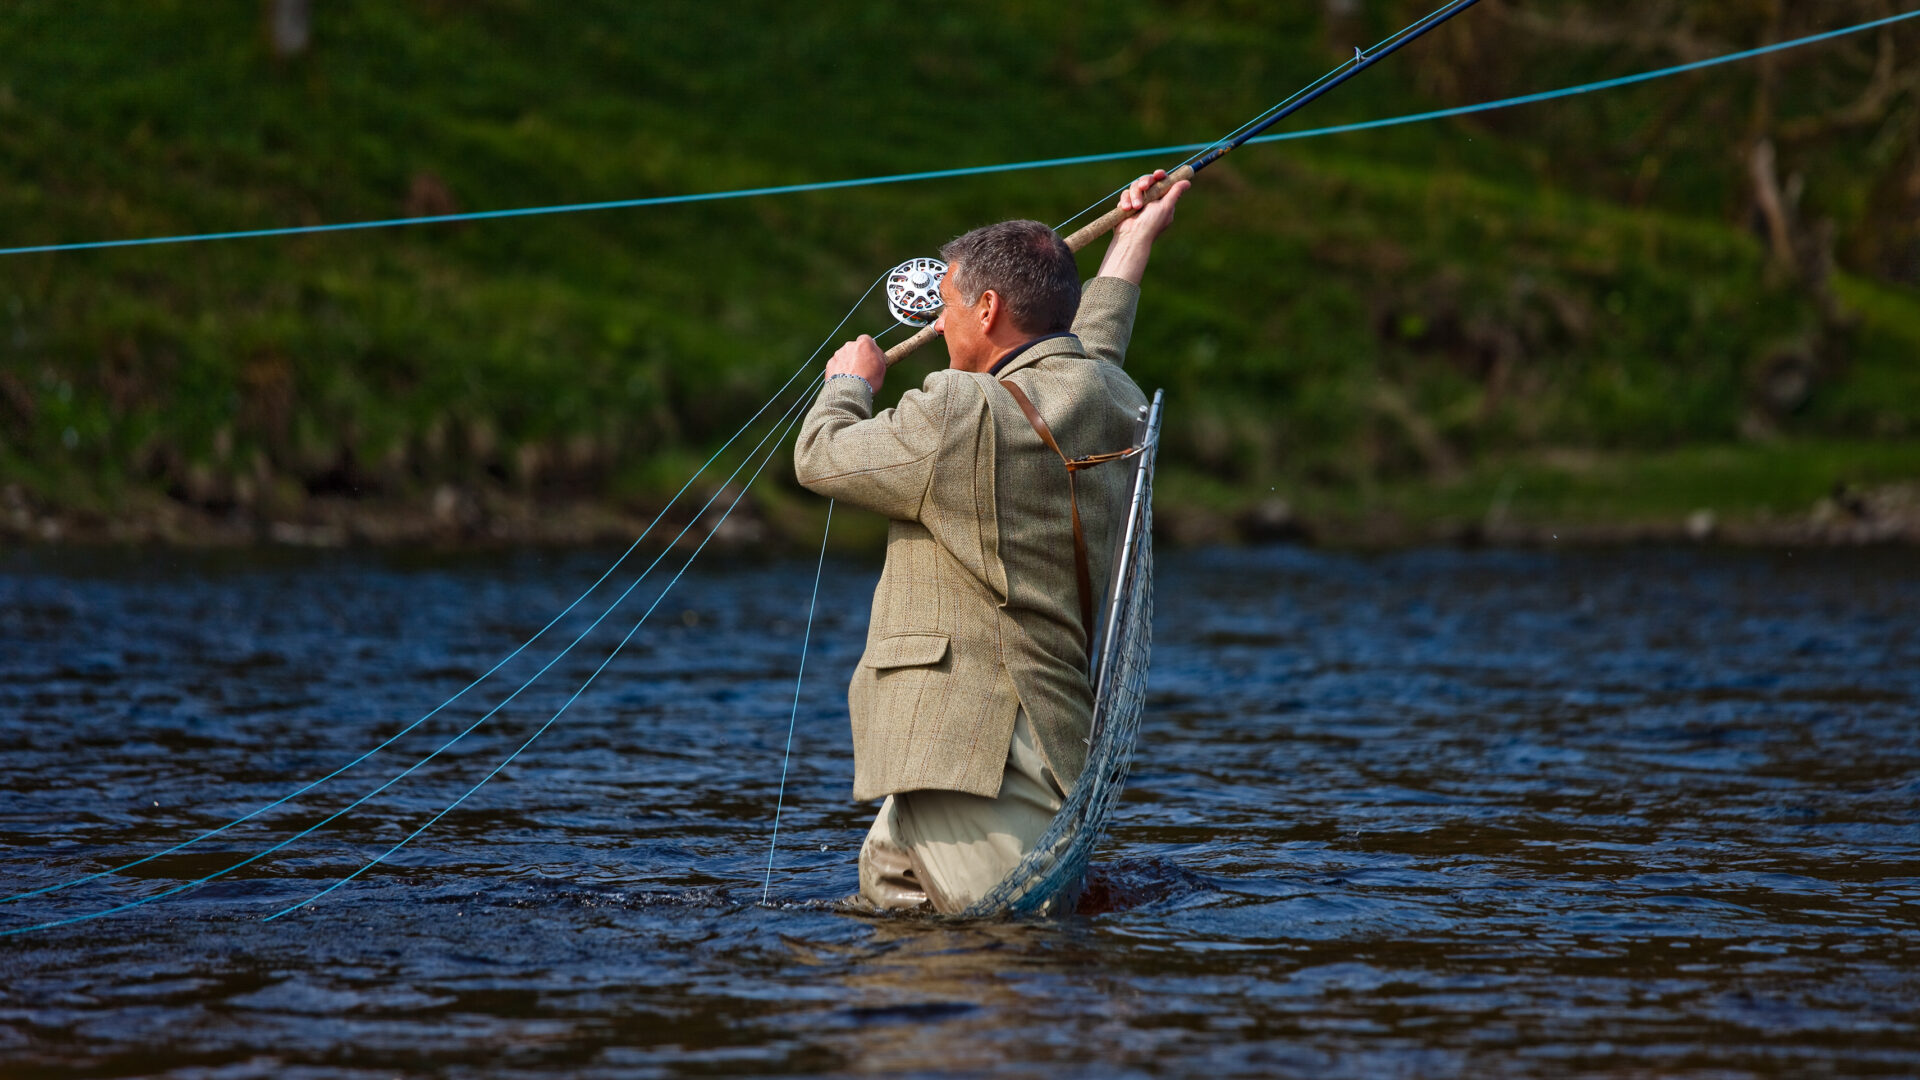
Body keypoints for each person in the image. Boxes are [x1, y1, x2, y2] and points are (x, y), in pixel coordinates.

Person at [793, 170, 1188, 913]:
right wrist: (1134, 237)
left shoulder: (958, 411)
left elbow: (820, 456)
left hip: (975, 754)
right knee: (904, 944)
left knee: (1010, 943)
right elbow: (1091, 344)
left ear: (988, 308)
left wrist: (849, 384)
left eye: (946, 306)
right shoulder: (1108, 396)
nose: (939, 326)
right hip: (1017, 736)